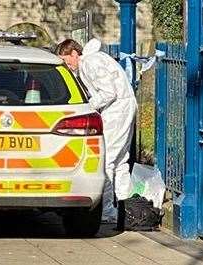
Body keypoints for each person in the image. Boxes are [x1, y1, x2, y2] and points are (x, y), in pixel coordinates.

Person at [56, 38, 137, 223]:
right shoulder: (94, 60)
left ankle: (108, 211)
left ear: (75, 53)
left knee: (107, 161)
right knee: (120, 161)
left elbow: (109, 92)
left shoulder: (91, 62)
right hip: (122, 107)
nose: (67, 66)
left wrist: (89, 106)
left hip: (117, 111)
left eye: (67, 60)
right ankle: (124, 210)